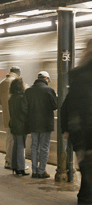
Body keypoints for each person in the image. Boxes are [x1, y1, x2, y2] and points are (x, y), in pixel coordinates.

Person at [61, 39, 92, 205]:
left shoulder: (79, 76)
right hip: (87, 142)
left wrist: (67, 129)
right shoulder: (84, 77)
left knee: (87, 186)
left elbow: (67, 106)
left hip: (83, 142)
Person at [22, 71, 57, 178]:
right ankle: (42, 171)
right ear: (46, 79)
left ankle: (35, 171)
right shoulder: (50, 90)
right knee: (44, 148)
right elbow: (55, 106)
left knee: (34, 147)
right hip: (46, 124)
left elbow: (24, 108)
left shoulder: (28, 91)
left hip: (33, 124)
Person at [0, 66, 21, 169]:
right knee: (16, 141)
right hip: (16, 117)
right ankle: (14, 162)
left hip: (6, 117)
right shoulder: (16, 83)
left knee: (9, 139)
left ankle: (8, 161)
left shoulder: (2, 83)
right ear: (18, 74)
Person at [9, 78, 29, 176]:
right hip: (21, 125)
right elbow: (25, 111)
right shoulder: (22, 97)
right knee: (21, 146)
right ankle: (21, 168)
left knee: (16, 145)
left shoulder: (11, 98)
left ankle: (14, 166)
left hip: (14, 124)